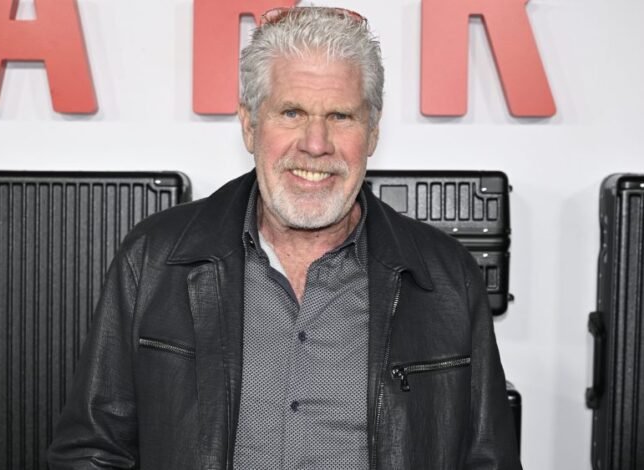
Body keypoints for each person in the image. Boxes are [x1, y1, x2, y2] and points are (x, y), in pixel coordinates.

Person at [47, 7, 521, 469]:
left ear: (373, 133)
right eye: (291, 112)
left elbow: (489, 460)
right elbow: (92, 451)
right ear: (249, 125)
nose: (315, 144)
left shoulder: (447, 278)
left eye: (341, 116)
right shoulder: (153, 260)